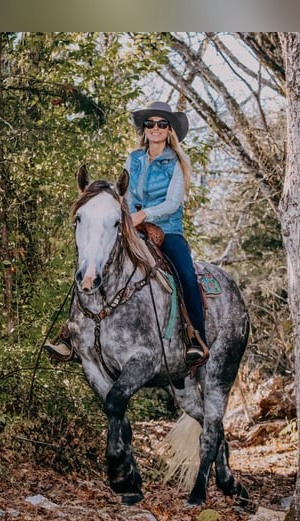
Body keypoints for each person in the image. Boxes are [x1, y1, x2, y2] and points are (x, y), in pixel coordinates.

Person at [44, 101, 208, 365]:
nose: (155, 128)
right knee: (94, 262)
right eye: (151, 123)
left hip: (167, 231)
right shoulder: (134, 159)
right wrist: (123, 214)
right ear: (144, 129)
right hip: (132, 227)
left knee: (186, 275)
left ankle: (195, 337)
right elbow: (125, 194)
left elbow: (173, 202)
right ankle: (70, 335)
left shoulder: (176, 162)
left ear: (169, 130)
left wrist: (144, 215)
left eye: (162, 124)